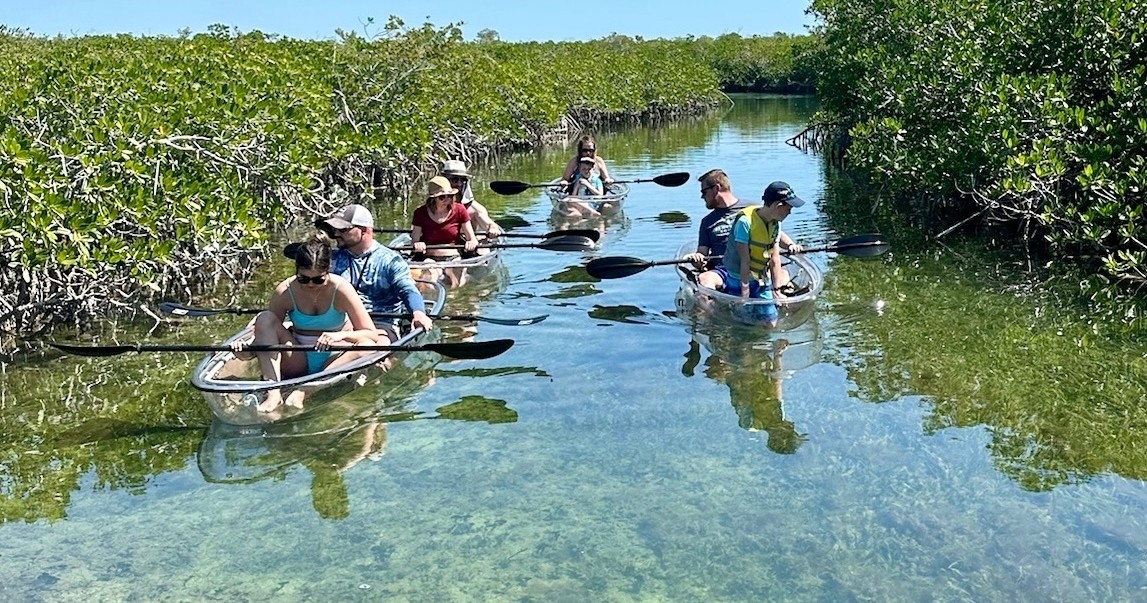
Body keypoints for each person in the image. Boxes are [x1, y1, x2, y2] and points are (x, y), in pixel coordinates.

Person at [232, 235, 381, 413]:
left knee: (367, 346)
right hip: (297, 358)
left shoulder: (341, 289)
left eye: (318, 279)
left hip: (334, 358)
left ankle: (306, 389)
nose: (311, 284)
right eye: (304, 279)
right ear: (296, 271)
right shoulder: (285, 291)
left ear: (328, 270)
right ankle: (273, 393)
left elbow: (371, 334)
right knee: (264, 317)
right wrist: (247, 352)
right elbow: (267, 333)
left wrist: (340, 335)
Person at [316, 204, 433, 343]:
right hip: (341, 322)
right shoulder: (332, 258)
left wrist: (418, 313)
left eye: (343, 230)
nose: (336, 234)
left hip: (381, 324)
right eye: (335, 229)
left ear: (364, 230)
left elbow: (407, 289)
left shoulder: (390, 261)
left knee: (379, 344)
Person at [684, 170, 802, 289]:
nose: (702, 196)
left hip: (758, 265)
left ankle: (781, 298)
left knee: (782, 274)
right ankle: (713, 304)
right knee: (705, 280)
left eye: (704, 192)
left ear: (716, 188)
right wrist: (697, 259)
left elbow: (774, 233)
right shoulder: (707, 221)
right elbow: (702, 255)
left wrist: (791, 245)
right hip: (724, 269)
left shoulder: (752, 209)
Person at [721, 181, 806, 325]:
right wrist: (745, 293)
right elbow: (744, 260)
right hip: (738, 277)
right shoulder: (745, 222)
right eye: (788, 208)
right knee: (744, 321)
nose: (790, 212)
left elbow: (774, 258)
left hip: (761, 278)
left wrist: (777, 289)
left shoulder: (775, 224)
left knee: (771, 322)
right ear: (778, 206)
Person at [410, 176, 480, 261]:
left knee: (456, 269)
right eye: (442, 197)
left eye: (450, 196)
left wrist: (471, 243)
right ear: (433, 198)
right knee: (429, 271)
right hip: (429, 258)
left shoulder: (460, 209)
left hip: (454, 257)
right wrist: (418, 245)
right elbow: (415, 240)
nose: (447, 200)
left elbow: (472, 238)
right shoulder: (420, 212)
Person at [441, 159, 504, 239]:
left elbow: (489, 223)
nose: (459, 184)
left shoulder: (474, 209)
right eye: (455, 180)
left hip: (470, 246)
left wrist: (493, 228)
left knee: (483, 247)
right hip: (445, 247)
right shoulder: (434, 206)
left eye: (463, 180)